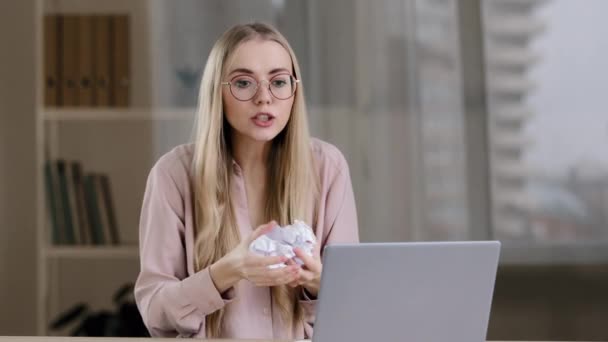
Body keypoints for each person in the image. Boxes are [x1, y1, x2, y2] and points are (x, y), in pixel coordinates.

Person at [134, 22, 359, 339]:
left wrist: (318, 281)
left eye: (279, 82)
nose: (264, 98)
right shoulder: (173, 175)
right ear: (218, 91)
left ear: (295, 91)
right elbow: (155, 313)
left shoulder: (328, 168)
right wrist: (226, 271)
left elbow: (354, 308)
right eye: (243, 83)